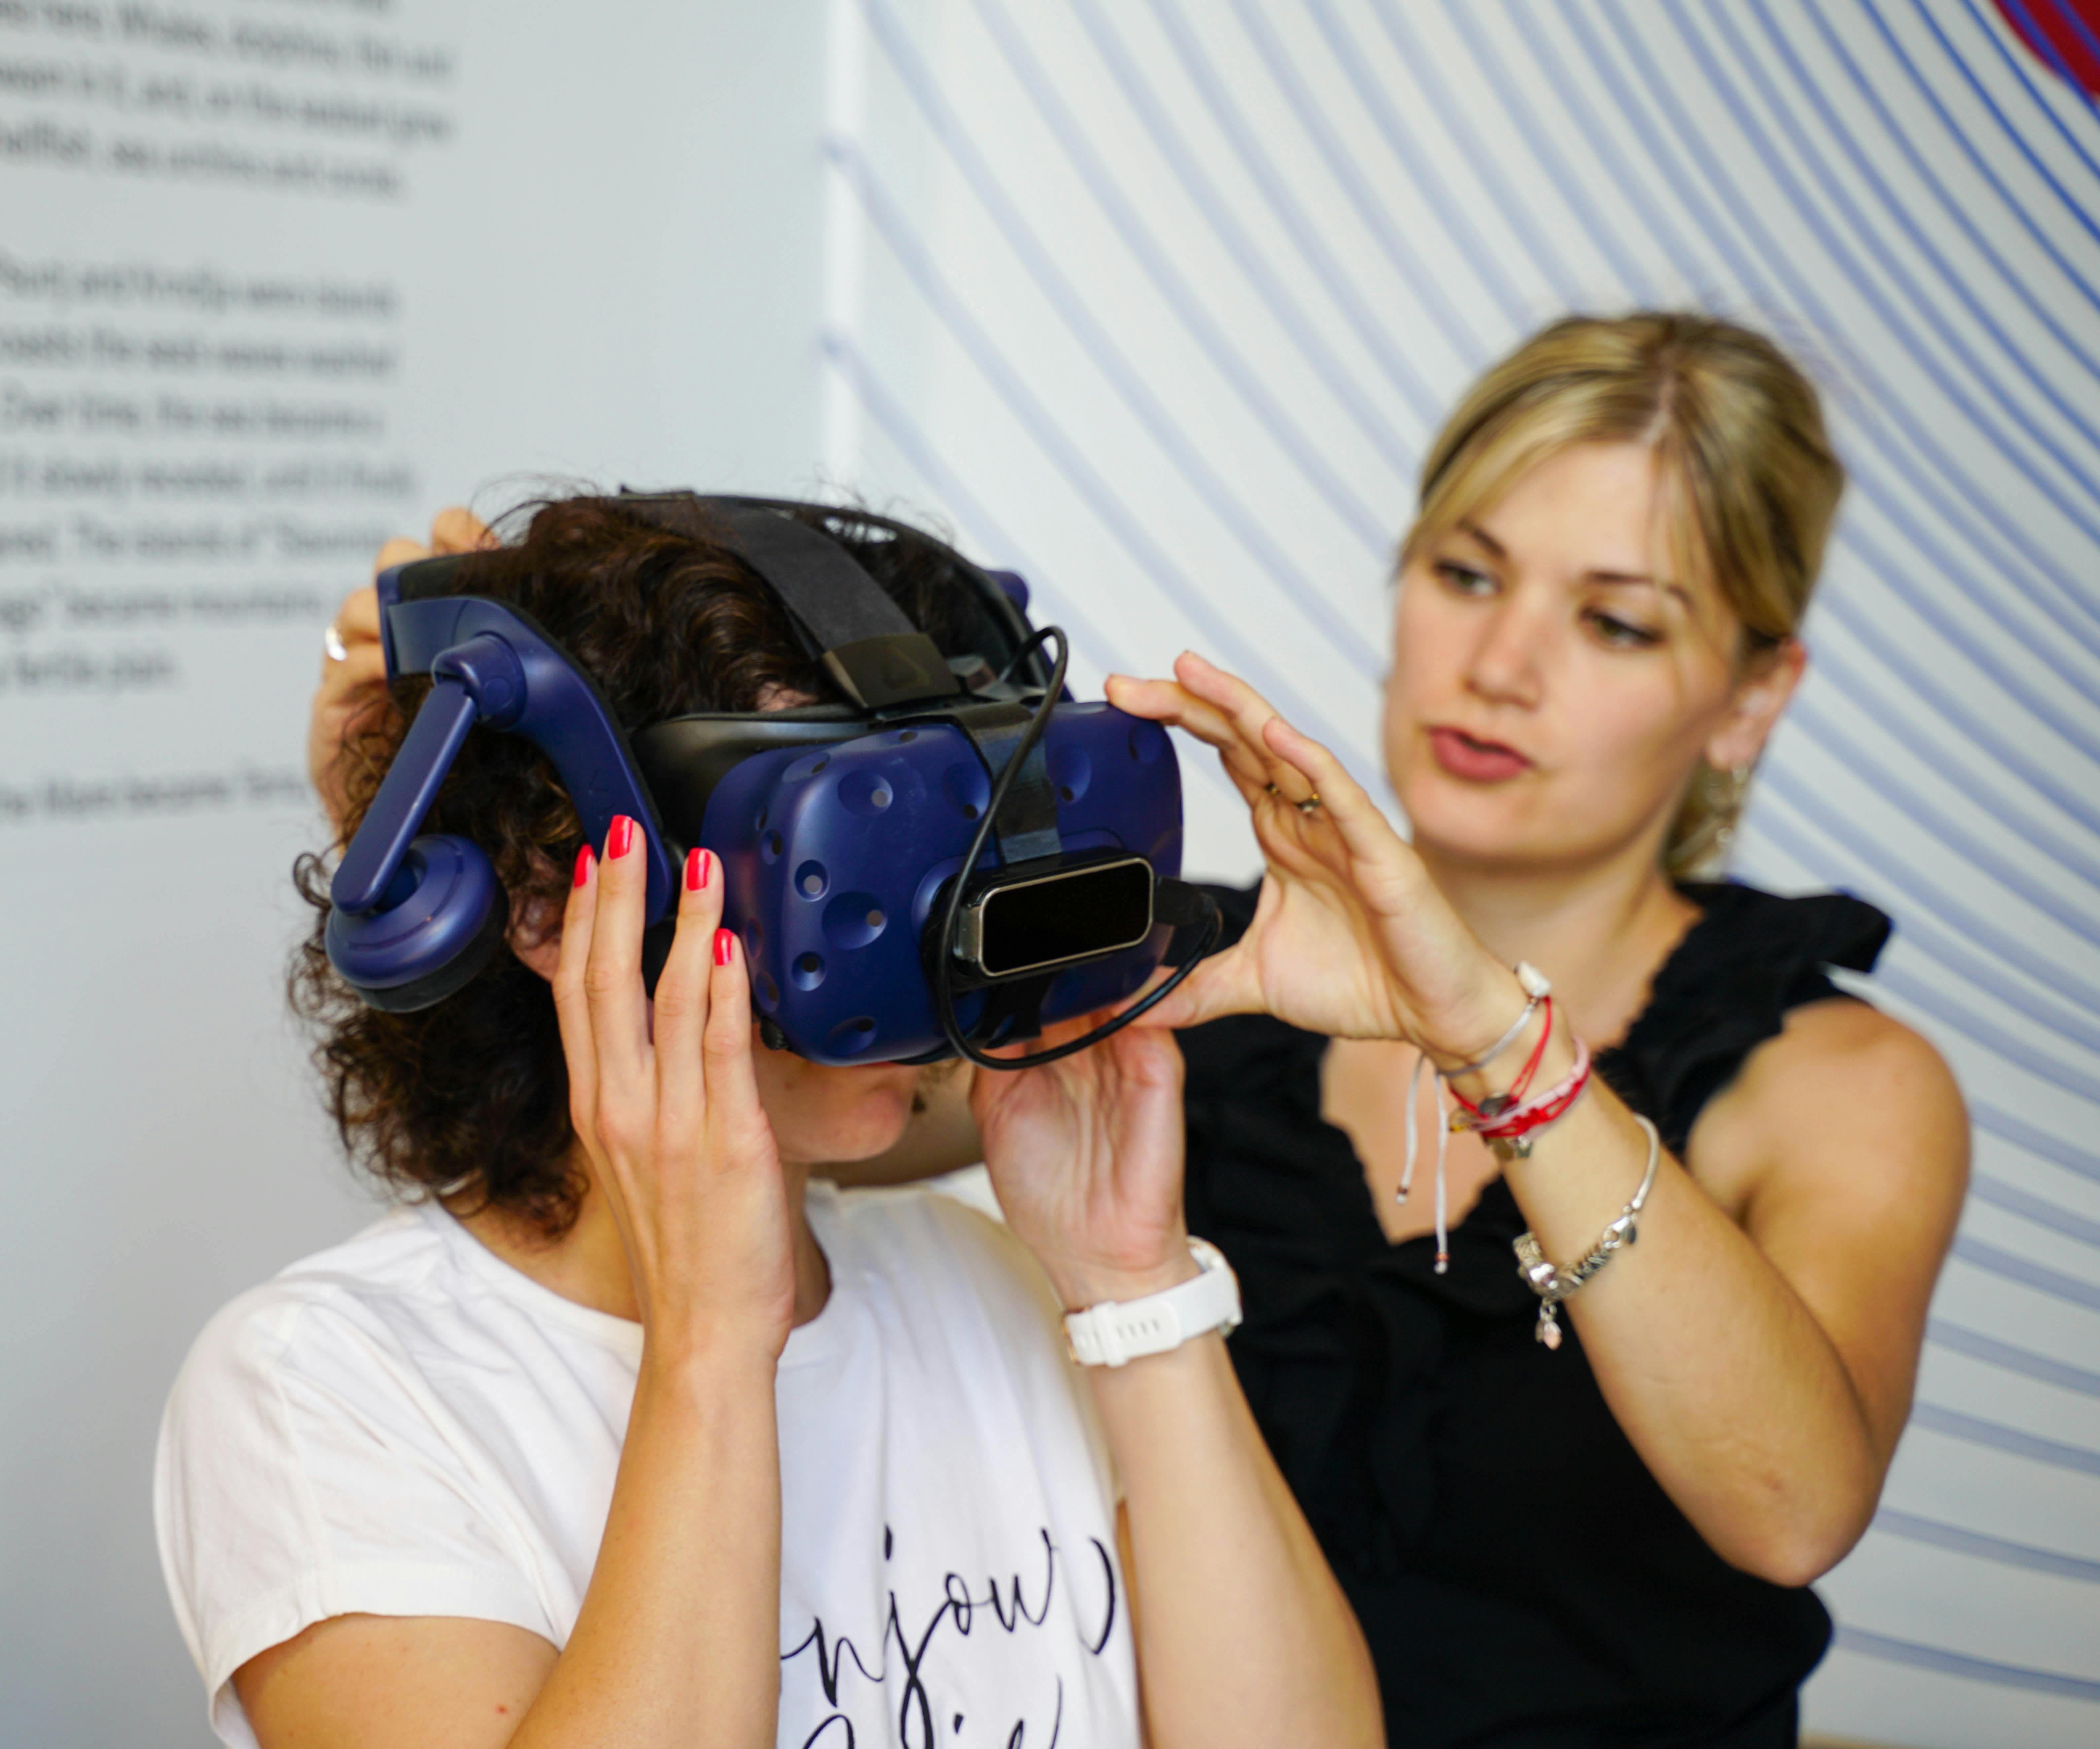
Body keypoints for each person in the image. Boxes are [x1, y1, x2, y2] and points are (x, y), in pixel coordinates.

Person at [303, 312, 1969, 1746]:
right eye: (1467, 573)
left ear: (1751, 693)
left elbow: (1790, 1507)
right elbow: (765, 1089)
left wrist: (1482, 1035)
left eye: (1615, 619)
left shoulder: (1834, 1084)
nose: (1503, 663)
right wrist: (478, 823)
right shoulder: (1164, 989)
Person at [160, 497, 1383, 1748]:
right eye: (844, 845)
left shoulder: (996, 1286)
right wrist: (709, 1347)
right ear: (544, 903)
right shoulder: (324, 1391)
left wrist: (1138, 1293)